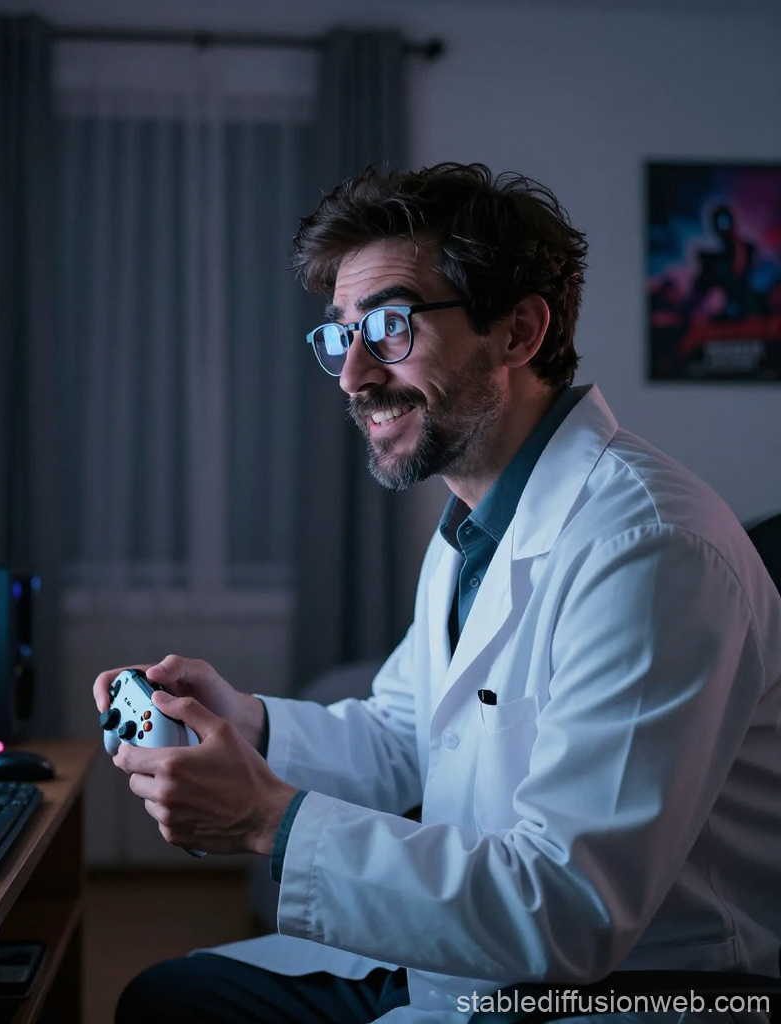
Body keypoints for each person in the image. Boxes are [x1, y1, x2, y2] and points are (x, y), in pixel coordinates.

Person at [93, 163, 781, 1024]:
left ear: (519, 331)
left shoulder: (648, 549)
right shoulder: (477, 520)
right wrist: (246, 720)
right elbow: (405, 735)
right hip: (488, 954)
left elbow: (571, 907)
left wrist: (269, 819)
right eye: (339, 336)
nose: (351, 375)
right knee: (169, 998)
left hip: (647, 989)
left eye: (388, 327)